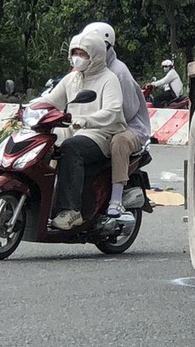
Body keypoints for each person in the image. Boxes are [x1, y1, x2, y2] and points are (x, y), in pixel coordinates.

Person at [36, 29, 125, 230]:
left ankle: (71, 211)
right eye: (75, 53)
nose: (78, 58)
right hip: (73, 130)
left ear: (95, 55)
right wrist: (29, 109)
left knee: (71, 148)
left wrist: (86, 120)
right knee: (44, 143)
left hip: (102, 134)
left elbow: (113, 111)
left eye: (83, 54)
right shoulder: (71, 79)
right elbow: (51, 101)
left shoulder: (108, 79)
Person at [79, 21, 149, 216]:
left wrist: (94, 120)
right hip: (97, 125)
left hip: (129, 127)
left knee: (119, 143)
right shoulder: (84, 70)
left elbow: (127, 111)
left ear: (107, 48)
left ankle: (116, 199)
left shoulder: (119, 73)